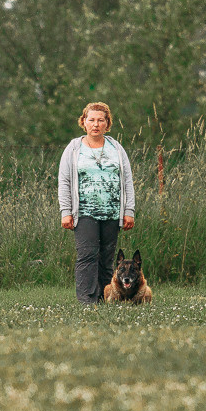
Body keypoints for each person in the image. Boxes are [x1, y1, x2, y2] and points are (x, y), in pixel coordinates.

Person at [58, 102, 135, 304]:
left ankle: (105, 297)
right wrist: (66, 211)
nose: (95, 124)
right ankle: (86, 300)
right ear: (83, 122)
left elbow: (127, 180)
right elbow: (64, 181)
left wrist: (129, 210)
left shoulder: (116, 148)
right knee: (87, 255)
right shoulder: (74, 148)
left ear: (107, 123)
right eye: (91, 120)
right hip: (84, 212)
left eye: (101, 120)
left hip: (112, 211)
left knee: (107, 258)